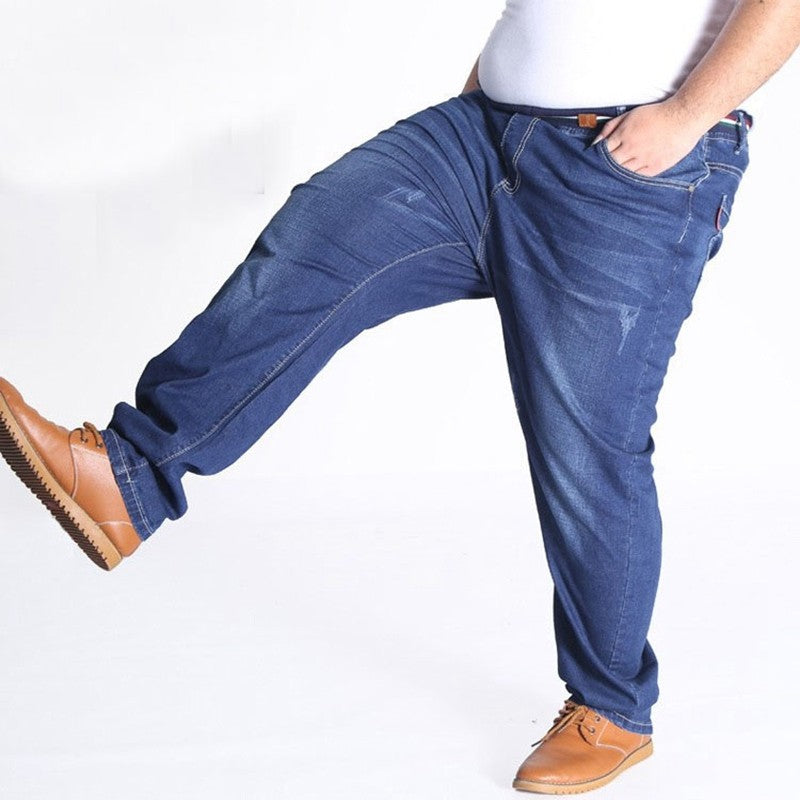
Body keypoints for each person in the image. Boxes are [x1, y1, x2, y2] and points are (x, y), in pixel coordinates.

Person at [1, 0, 798, 794]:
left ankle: (612, 708)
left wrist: (687, 117)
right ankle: (130, 477)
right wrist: (495, 84)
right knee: (324, 232)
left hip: (625, 168)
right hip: (485, 133)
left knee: (584, 443)